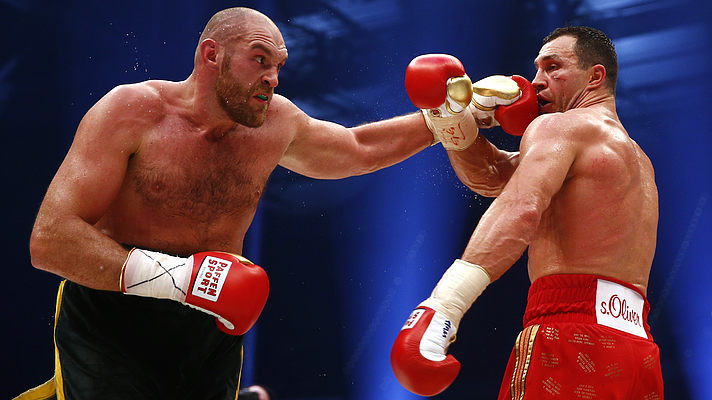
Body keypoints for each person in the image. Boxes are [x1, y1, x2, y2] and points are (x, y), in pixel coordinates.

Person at [14, 7, 533, 400]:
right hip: (112, 315)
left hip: (212, 324)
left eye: (279, 66)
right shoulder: (132, 111)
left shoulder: (275, 123)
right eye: (259, 60)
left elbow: (357, 148)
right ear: (211, 55)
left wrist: (446, 116)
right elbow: (50, 239)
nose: (272, 78)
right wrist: (182, 279)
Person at [391, 26, 664, 399]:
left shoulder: (560, 127)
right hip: (637, 347)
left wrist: (445, 306)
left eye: (552, 67)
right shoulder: (637, 159)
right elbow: (495, 176)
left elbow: (521, 205)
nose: (535, 81)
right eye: (536, 68)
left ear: (595, 76)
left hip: (570, 333)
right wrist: (453, 121)